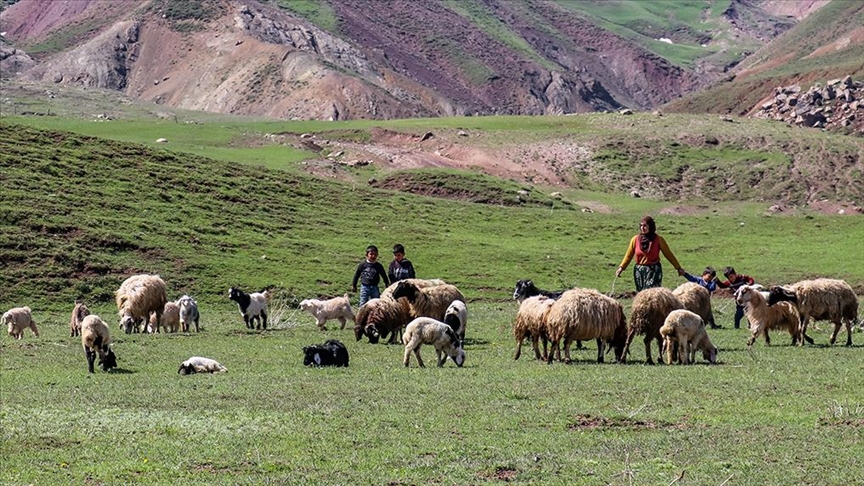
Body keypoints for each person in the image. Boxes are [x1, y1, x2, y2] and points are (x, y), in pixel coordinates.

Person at [615, 215, 684, 291]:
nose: (642, 228)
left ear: (650, 226)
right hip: (639, 271)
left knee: (651, 293)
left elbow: (668, 254)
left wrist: (678, 267)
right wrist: (621, 268)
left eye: (645, 226)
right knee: (641, 294)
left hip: (653, 271)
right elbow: (628, 256)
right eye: (641, 226)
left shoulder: (658, 240)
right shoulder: (635, 240)